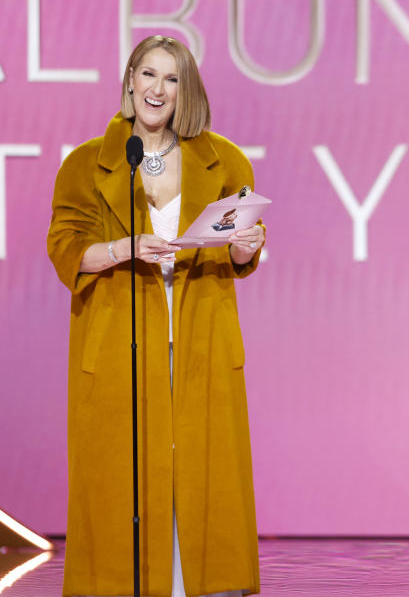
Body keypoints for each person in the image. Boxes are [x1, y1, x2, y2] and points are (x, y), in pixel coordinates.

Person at [47, 35, 265, 597]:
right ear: (129, 80)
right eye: (148, 74)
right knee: (123, 479)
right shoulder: (87, 163)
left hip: (201, 345)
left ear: (184, 91)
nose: (156, 89)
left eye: (170, 79)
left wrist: (246, 244)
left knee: (203, 473)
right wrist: (127, 248)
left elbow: (243, 254)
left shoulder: (224, 160)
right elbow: (65, 250)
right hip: (122, 344)